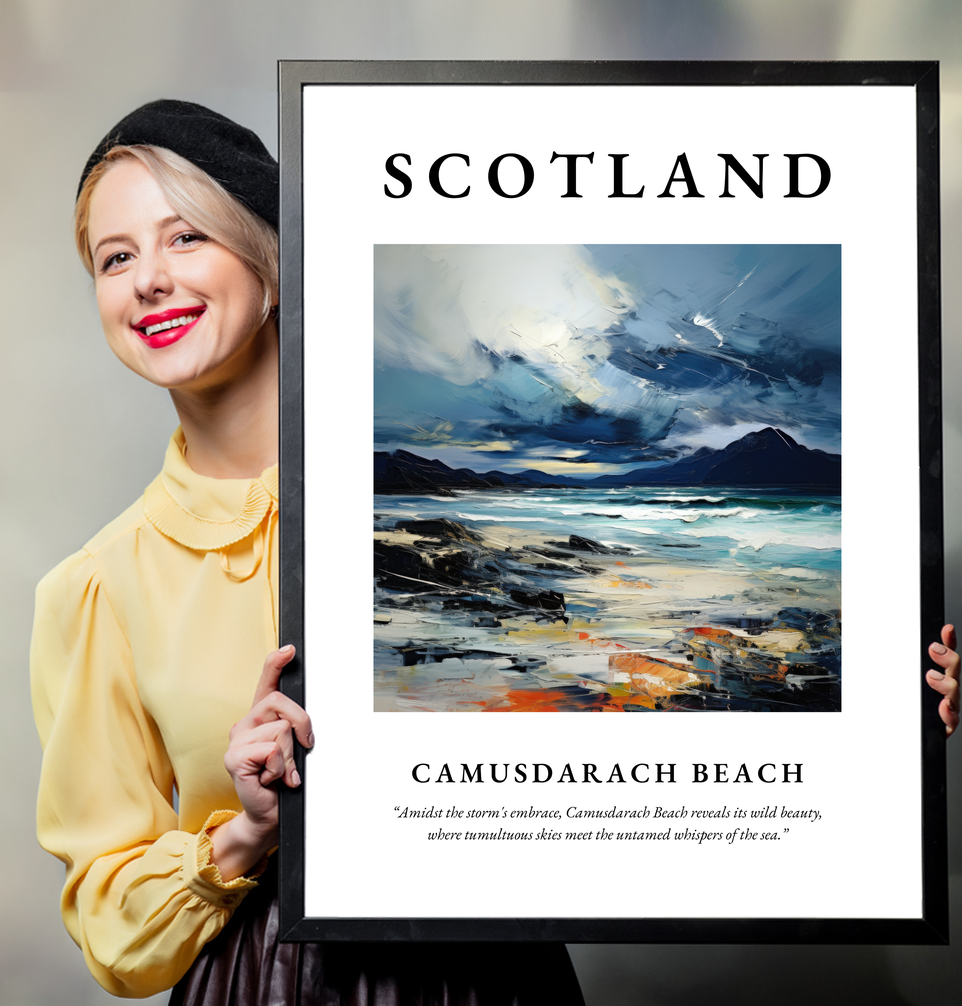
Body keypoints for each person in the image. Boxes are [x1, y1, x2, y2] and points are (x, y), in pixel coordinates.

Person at [30, 100, 585, 1004]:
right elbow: (110, 924)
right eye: (116, 257)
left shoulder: (433, 509)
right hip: (264, 981)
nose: (148, 281)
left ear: (273, 264)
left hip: (493, 973)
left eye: (186, 239)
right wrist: (245, 832)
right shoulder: (98, 587)